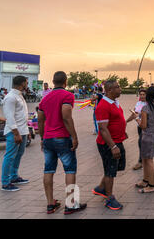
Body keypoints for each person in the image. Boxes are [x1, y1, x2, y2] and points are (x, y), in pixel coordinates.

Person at [37, 71, 87, 214]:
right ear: (65, 82)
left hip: (48, 139)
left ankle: (50, 204)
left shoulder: (45, 99)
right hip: (63, 138)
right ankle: (71, 204)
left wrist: (42, 137)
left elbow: (40, 120)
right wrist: (74, 136)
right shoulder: (67, 95)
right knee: (70, 170)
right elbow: (66, 116)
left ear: (53, 82)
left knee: (48, 170)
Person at [92, 80, 128, 210]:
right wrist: (113, 146)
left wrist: (122, 131)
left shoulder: (114, 102)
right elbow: (102, 128)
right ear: (109, 91)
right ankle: (109, 199)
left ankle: (101, 188)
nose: (120, 89)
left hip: (117, 140)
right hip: (108, 144)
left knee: (116, 167)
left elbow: (116, 120)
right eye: (117, 87)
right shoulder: (103, 106)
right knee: (110, 171)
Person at [1, 76, 30, 192]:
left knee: (19, 154)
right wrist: (16, 133)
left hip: (23, 130)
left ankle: (14, 176)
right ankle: (5, 182)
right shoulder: (10, 97)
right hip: (14, 132)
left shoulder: (19, 95)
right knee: (9, 156)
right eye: (26, 83)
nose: (27, 85)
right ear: (22, 83)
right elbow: (9, 117)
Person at [135, 86, 154, 193]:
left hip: (148, 136)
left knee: (149, 160)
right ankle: (145, 180)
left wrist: (137, 119)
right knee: (145, 158)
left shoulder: (145, 109)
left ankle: (151, 185)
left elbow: (143, 126)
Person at [126, 89, 147, 170]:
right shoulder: (138, 103)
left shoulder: (148, 104)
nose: (141, 96)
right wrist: (126, 121)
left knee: (141, 143)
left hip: (145, 126)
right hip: (139, 126)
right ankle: (144, 160)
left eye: (143, 94)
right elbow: (134, 114)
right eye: (140, 94)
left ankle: (141, 162)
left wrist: (138, 115)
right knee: (142, 143)